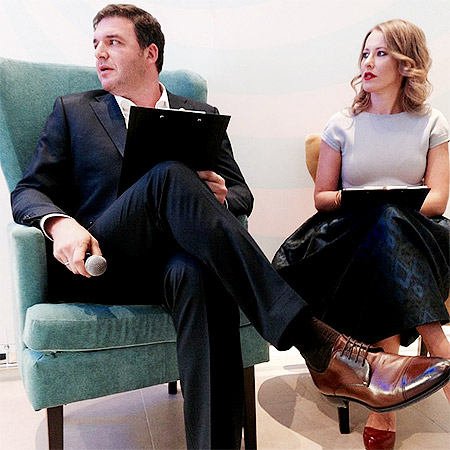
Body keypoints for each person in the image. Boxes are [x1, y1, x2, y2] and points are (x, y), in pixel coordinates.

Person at [10, 6, 450, 449]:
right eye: (96, 44)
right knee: (169, 176)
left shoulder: (199, 114)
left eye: (113, 42)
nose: (100, 53)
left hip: (177, 265)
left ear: (150, 53)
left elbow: (242, 195)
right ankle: (321, 344)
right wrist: (59, 223)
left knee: (201, 273)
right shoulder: (74, 111)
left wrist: (221, 195)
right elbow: (28, 190)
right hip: (105, 260)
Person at [273, 19, 450, 450]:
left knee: (389, 226)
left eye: (381, 53)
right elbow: (322, 198)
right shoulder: (342, 124)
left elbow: (438, 199)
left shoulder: (431, 122)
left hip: (420, 233)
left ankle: (383, 405)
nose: (368, 62)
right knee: (380, 228)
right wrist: (364, 201)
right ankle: (439, 345)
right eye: (365, 53)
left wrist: (392, 206)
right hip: (349, 235)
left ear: (406, 63)